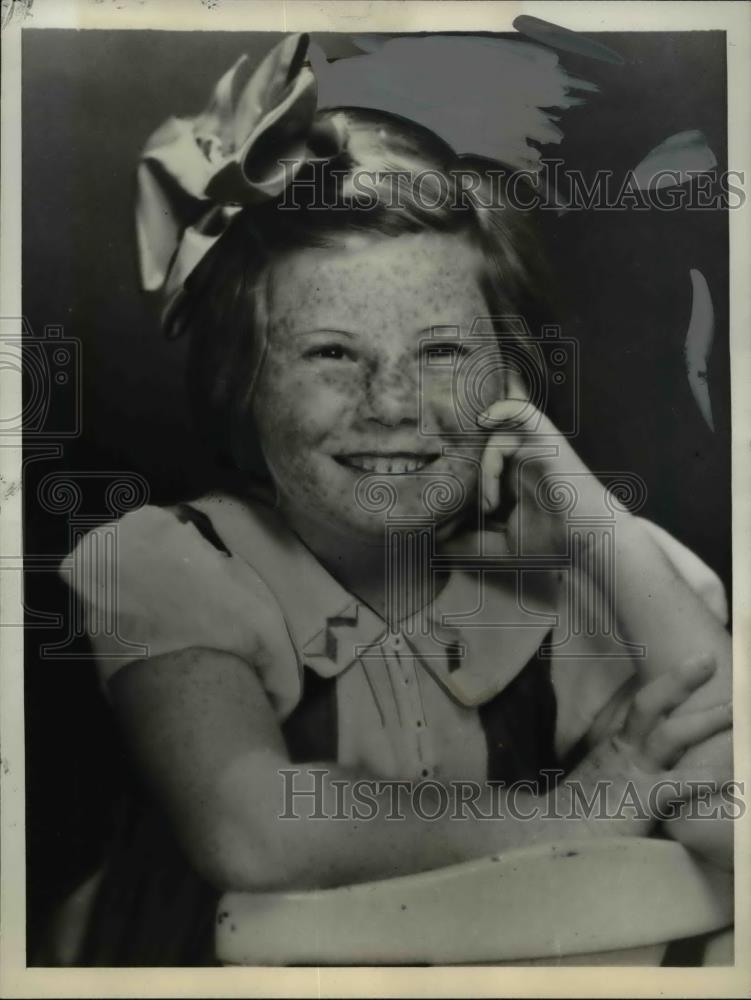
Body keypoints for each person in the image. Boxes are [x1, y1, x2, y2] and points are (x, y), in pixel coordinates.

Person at [57, 33, 733, 966]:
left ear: (513, 372)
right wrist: (578, 810)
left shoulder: (575, 572)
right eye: (331, 353)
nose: (391, 404)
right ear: (241, 379)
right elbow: (254, 829)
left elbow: (736, 826)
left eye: (443, 353)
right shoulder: (173, 562)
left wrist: (588, 512)